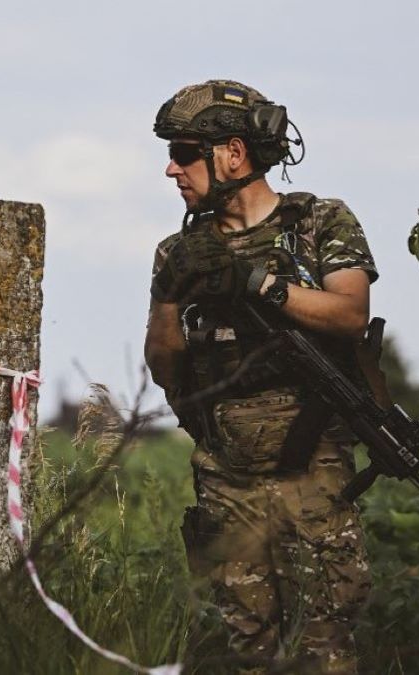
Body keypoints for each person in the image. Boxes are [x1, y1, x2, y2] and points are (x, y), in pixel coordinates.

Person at [144, 80, 378, 674]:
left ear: (233, 154)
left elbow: (350, 315)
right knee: (249, 648)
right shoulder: (178, 251)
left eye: (184, 152)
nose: (172, 169)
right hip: (226, 473)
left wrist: (256, 284)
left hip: (311, 470)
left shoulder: (318, 222)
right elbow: (164, 363)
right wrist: (171, 294)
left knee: (322, 649)